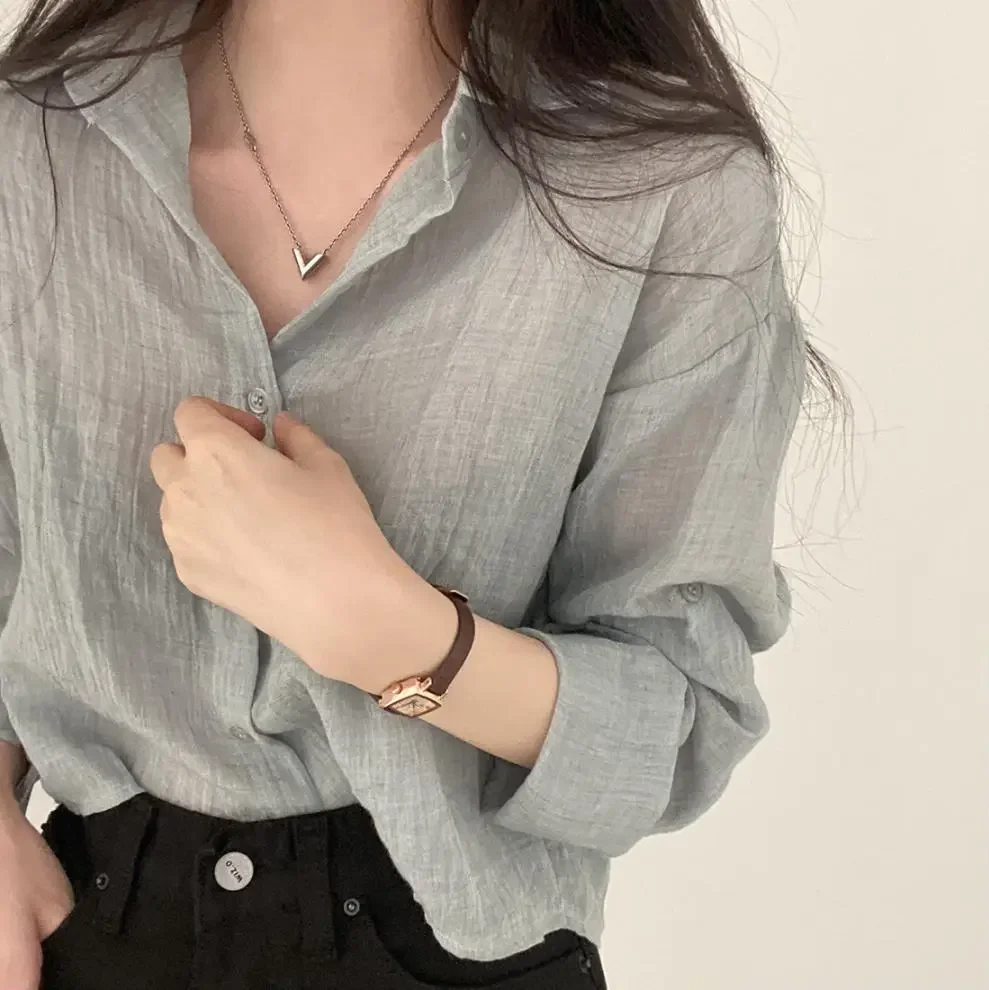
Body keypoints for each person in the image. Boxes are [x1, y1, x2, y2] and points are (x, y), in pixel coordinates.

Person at [0, 0, 834, 986]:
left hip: (455, 949)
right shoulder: (35, 138)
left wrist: (398, 636)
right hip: (78, 924)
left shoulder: (664, 188)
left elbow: (677, 727)